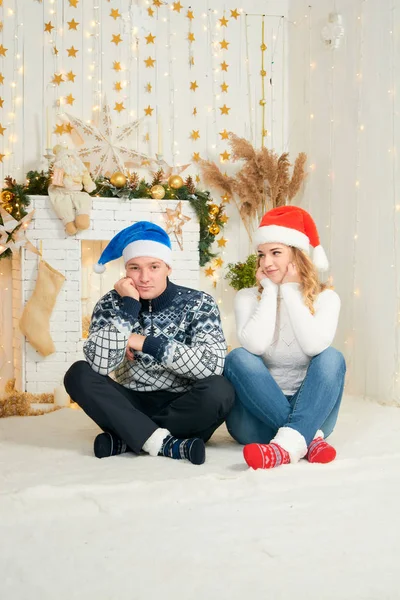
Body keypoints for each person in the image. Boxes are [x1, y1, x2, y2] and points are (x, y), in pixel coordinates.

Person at [64, 221, 234, 464]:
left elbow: (212, 365)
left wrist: (142, 342)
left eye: (154, 267)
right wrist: (128, 309)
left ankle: (129, 437)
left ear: (168, 267)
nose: (144, 277)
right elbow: (99, 366)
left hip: (183, 404)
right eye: (135, 268)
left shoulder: (198, 303)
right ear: (125, 270)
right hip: (130, 402)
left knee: (221, 390)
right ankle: (165, 444)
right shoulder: (111, 304)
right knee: (78, 373)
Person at [224, 206, 346, 470]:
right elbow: (255, 346)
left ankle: (283, 447)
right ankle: (305, 439)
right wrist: (269, 292)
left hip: (314, 412)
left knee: (332, 357)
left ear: (298, 256)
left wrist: (290, 291)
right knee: (238, 357)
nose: (266, 263)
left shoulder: (326, 298)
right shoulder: (247, 297)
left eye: (276, 253)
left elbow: (314, 346)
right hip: (254, 421)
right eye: (262, 254)